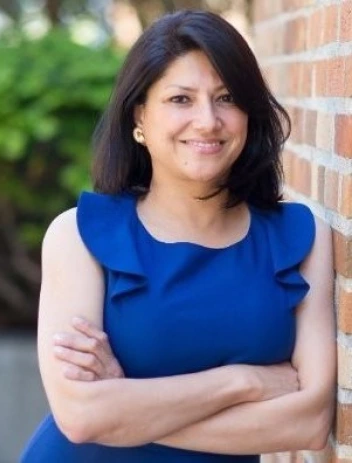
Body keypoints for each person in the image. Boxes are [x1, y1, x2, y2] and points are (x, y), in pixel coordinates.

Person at [20, 9, 335, 463]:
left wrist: (127, 404)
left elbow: (306, 423)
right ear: (140, 117)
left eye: (226, 98)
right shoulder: (79, 237)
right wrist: (244, 382)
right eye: (181, 99)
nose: (208, 121)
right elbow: (82, 418)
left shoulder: (299, 237)